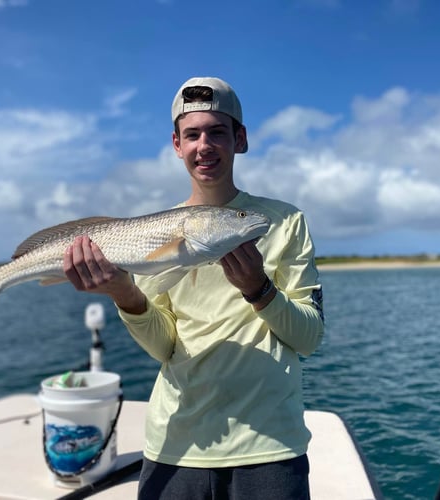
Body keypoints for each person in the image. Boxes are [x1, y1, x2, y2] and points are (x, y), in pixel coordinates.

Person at [63, 76, 325, 499]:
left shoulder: (284, 221)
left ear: (240, 139)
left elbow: (309, 338)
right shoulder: (152, 234)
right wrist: (124, 295)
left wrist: (260, 290)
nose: (204, 145)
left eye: (218, 132)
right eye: (192, 134)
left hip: (271, 446)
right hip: (176, 441)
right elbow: (164, 347)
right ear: (176, 144)